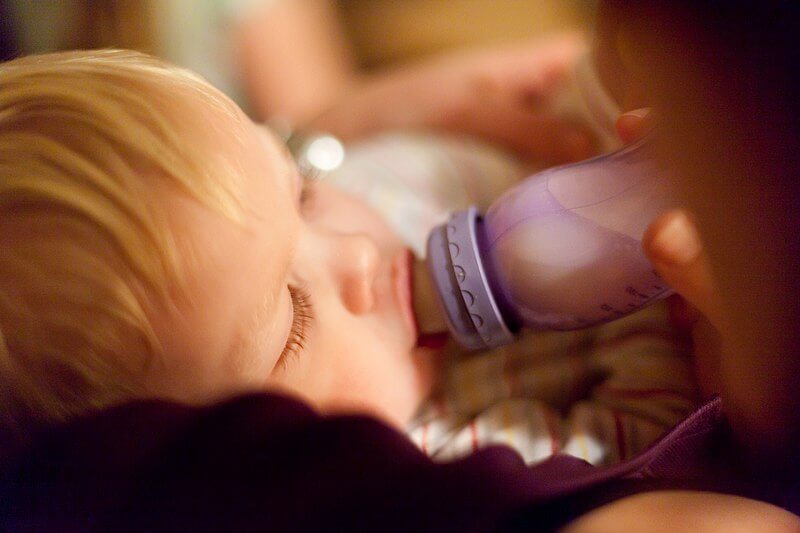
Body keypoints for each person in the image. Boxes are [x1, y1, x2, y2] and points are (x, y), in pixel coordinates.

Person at [1, 0, 799, 528]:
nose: (356, 249)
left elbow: (526, 122)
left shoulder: (378, 194)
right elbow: (635, 439)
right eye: (294, 319)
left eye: (304, 191)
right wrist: (644, 300)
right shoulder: (436, 459)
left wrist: (608, 113)